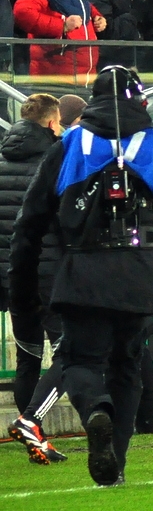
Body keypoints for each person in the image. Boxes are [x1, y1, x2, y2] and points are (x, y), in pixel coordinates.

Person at [9, 67, 153, 486]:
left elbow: (29, 224)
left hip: (83, 274)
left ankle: (96, 410)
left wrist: (23, 291)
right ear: (139, 99)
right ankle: (116, 467)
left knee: (80, 361)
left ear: (93, 100)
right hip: (141, 278)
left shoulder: (69, 145)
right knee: (127, 367)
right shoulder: (152, 145)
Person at [2, 94, 68, 465]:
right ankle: (32, 422)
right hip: (50, 274)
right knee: (71, 352)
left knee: (28, 357)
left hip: (14, 277)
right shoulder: (54, 162)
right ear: (51, 122)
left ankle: (34, 440)